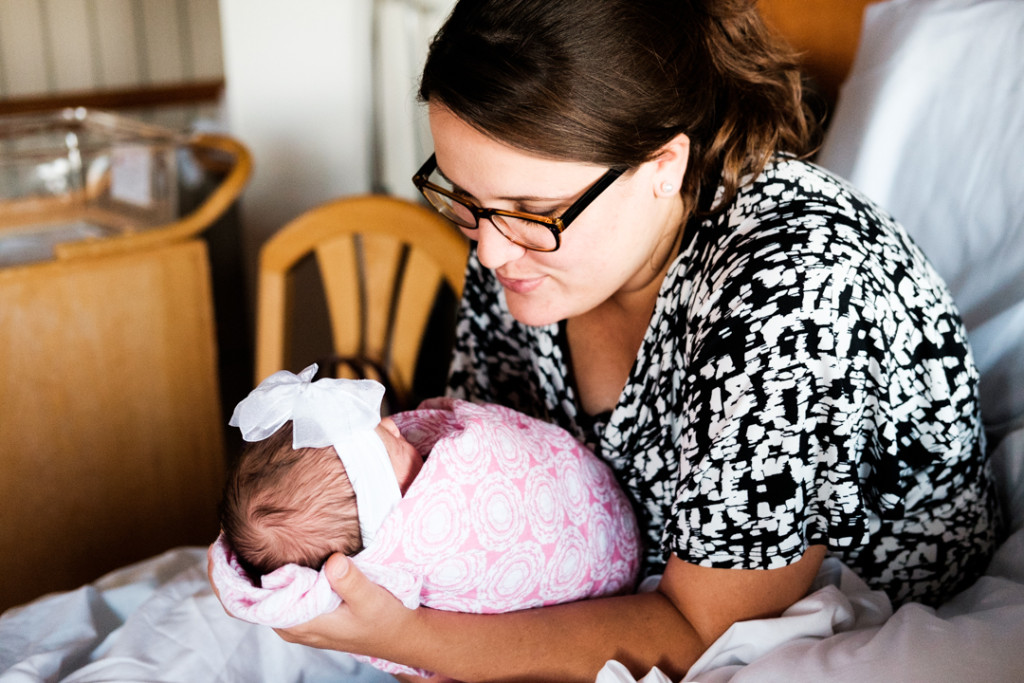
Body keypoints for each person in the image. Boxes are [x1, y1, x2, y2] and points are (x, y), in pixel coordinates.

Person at [219, 1, 1002, 679]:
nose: (489, 252)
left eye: (530, 208)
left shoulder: (793, 293)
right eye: (464, 197)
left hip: (786, 615)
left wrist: (417, 639)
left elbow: (705, 633)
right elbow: (481, 473)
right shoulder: (520, 242)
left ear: (663, 163)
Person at [210, 364, 640, 677]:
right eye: (385, 445)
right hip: (604, 571)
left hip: (594, 518)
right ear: (382, 504)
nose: (395, 427)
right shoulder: (415, 545)